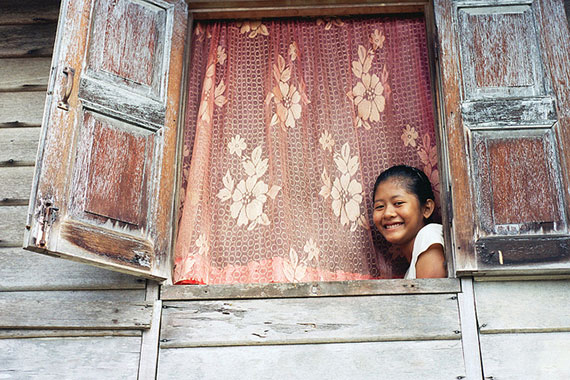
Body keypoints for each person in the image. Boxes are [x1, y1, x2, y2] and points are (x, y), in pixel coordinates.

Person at [372, 165, 446, 279]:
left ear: (426, 209)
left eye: (398, 203)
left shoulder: (430, 236)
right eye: (380, 206)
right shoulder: (412, 267)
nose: (387, 213)